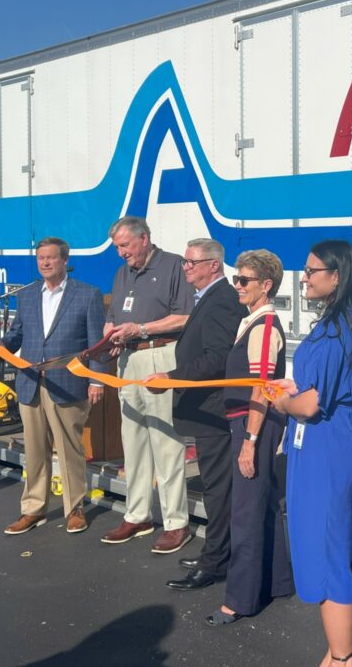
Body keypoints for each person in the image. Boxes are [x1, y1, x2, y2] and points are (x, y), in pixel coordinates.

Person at [269, 240, 352, 667]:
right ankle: (337, 652)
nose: (304, 277)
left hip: (327, 446)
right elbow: (316, 390)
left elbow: (313, 406)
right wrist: (293, 390)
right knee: (327, 543)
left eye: (313, 271)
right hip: (328, 441)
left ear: (337, 277)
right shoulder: (340, 322)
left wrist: (283, 403)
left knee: (328, 549)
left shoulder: (337, 330)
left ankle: (344, 657)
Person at [151, 238, 248, 591]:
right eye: (185, 262)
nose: (185, 268)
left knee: (217, 490)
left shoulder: (221, 300)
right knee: (215, 488)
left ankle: (214, 563)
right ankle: (216, 551)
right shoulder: (210, 297)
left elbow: (217, 358)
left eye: (192, 263)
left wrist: (171, 379)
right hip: (206, 410)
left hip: (213, 412)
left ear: (213, 265)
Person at [206, 249, 294, 626]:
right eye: (235, 279)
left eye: (244, 280)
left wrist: (250, 442)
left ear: (266, 285)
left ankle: (240, 599)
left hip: (253, 422)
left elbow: (261, 388)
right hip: (251, 421)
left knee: (245, 513)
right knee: (265, 504)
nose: (236, 286)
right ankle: (278, 582)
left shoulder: (263, 326)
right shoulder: (255, 321)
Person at [0, 238, 106, 536]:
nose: (45, 263)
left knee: (70, 450)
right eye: (41, 258)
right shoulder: (28, 295)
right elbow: (18, 334)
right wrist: (2, 345)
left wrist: (96, 379)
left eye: (51, 258)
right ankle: (33, 510)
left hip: (68, 384)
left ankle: (74, 508)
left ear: (64, 260)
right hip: (31, 383)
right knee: (34, 451)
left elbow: (96, 344)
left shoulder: (87, 294)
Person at [101, 217, 193, 552]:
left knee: (166, 442)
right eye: (117, 248)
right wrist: (109, 331)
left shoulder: (173, 267)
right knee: (134, 441)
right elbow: (114, 314)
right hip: (128, 360)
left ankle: (175, 523)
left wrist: (139, 329)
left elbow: (184, 316)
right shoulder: (123, 271)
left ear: (144, 238)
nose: (121, 253)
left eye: (124, 246)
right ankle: (137, 513)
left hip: (159, 356)